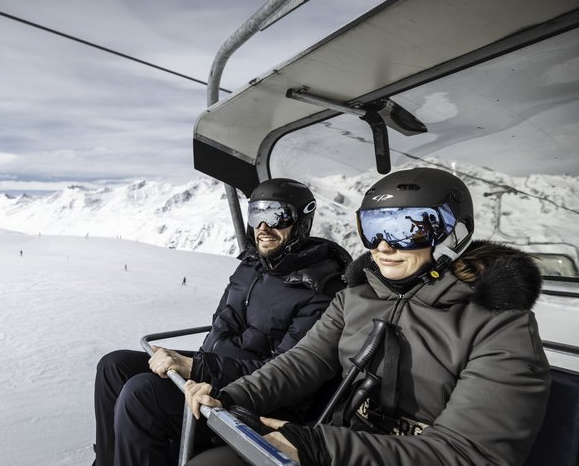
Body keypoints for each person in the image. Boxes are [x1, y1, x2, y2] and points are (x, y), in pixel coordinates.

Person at [184, 167, 551, 466]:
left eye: (409, 230)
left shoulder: (499, 326)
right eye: (374, 229)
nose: (384, 246)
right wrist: (235, 396)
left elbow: (469, 453)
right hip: (342, 439)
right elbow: (302, 362)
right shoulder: (355, 298)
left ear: (453, 235)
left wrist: (320, 447)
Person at [93, 178, 353, 465]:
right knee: (114, 366)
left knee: (143, 395)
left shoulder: (321, 288)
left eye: (276, 215)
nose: (263, 227)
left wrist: (196, 367)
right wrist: (200, 365)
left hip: (256, 401)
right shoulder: (253, 265)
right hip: (213, 370)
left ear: (301, 222)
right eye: (257, 215)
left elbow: (289, 372)